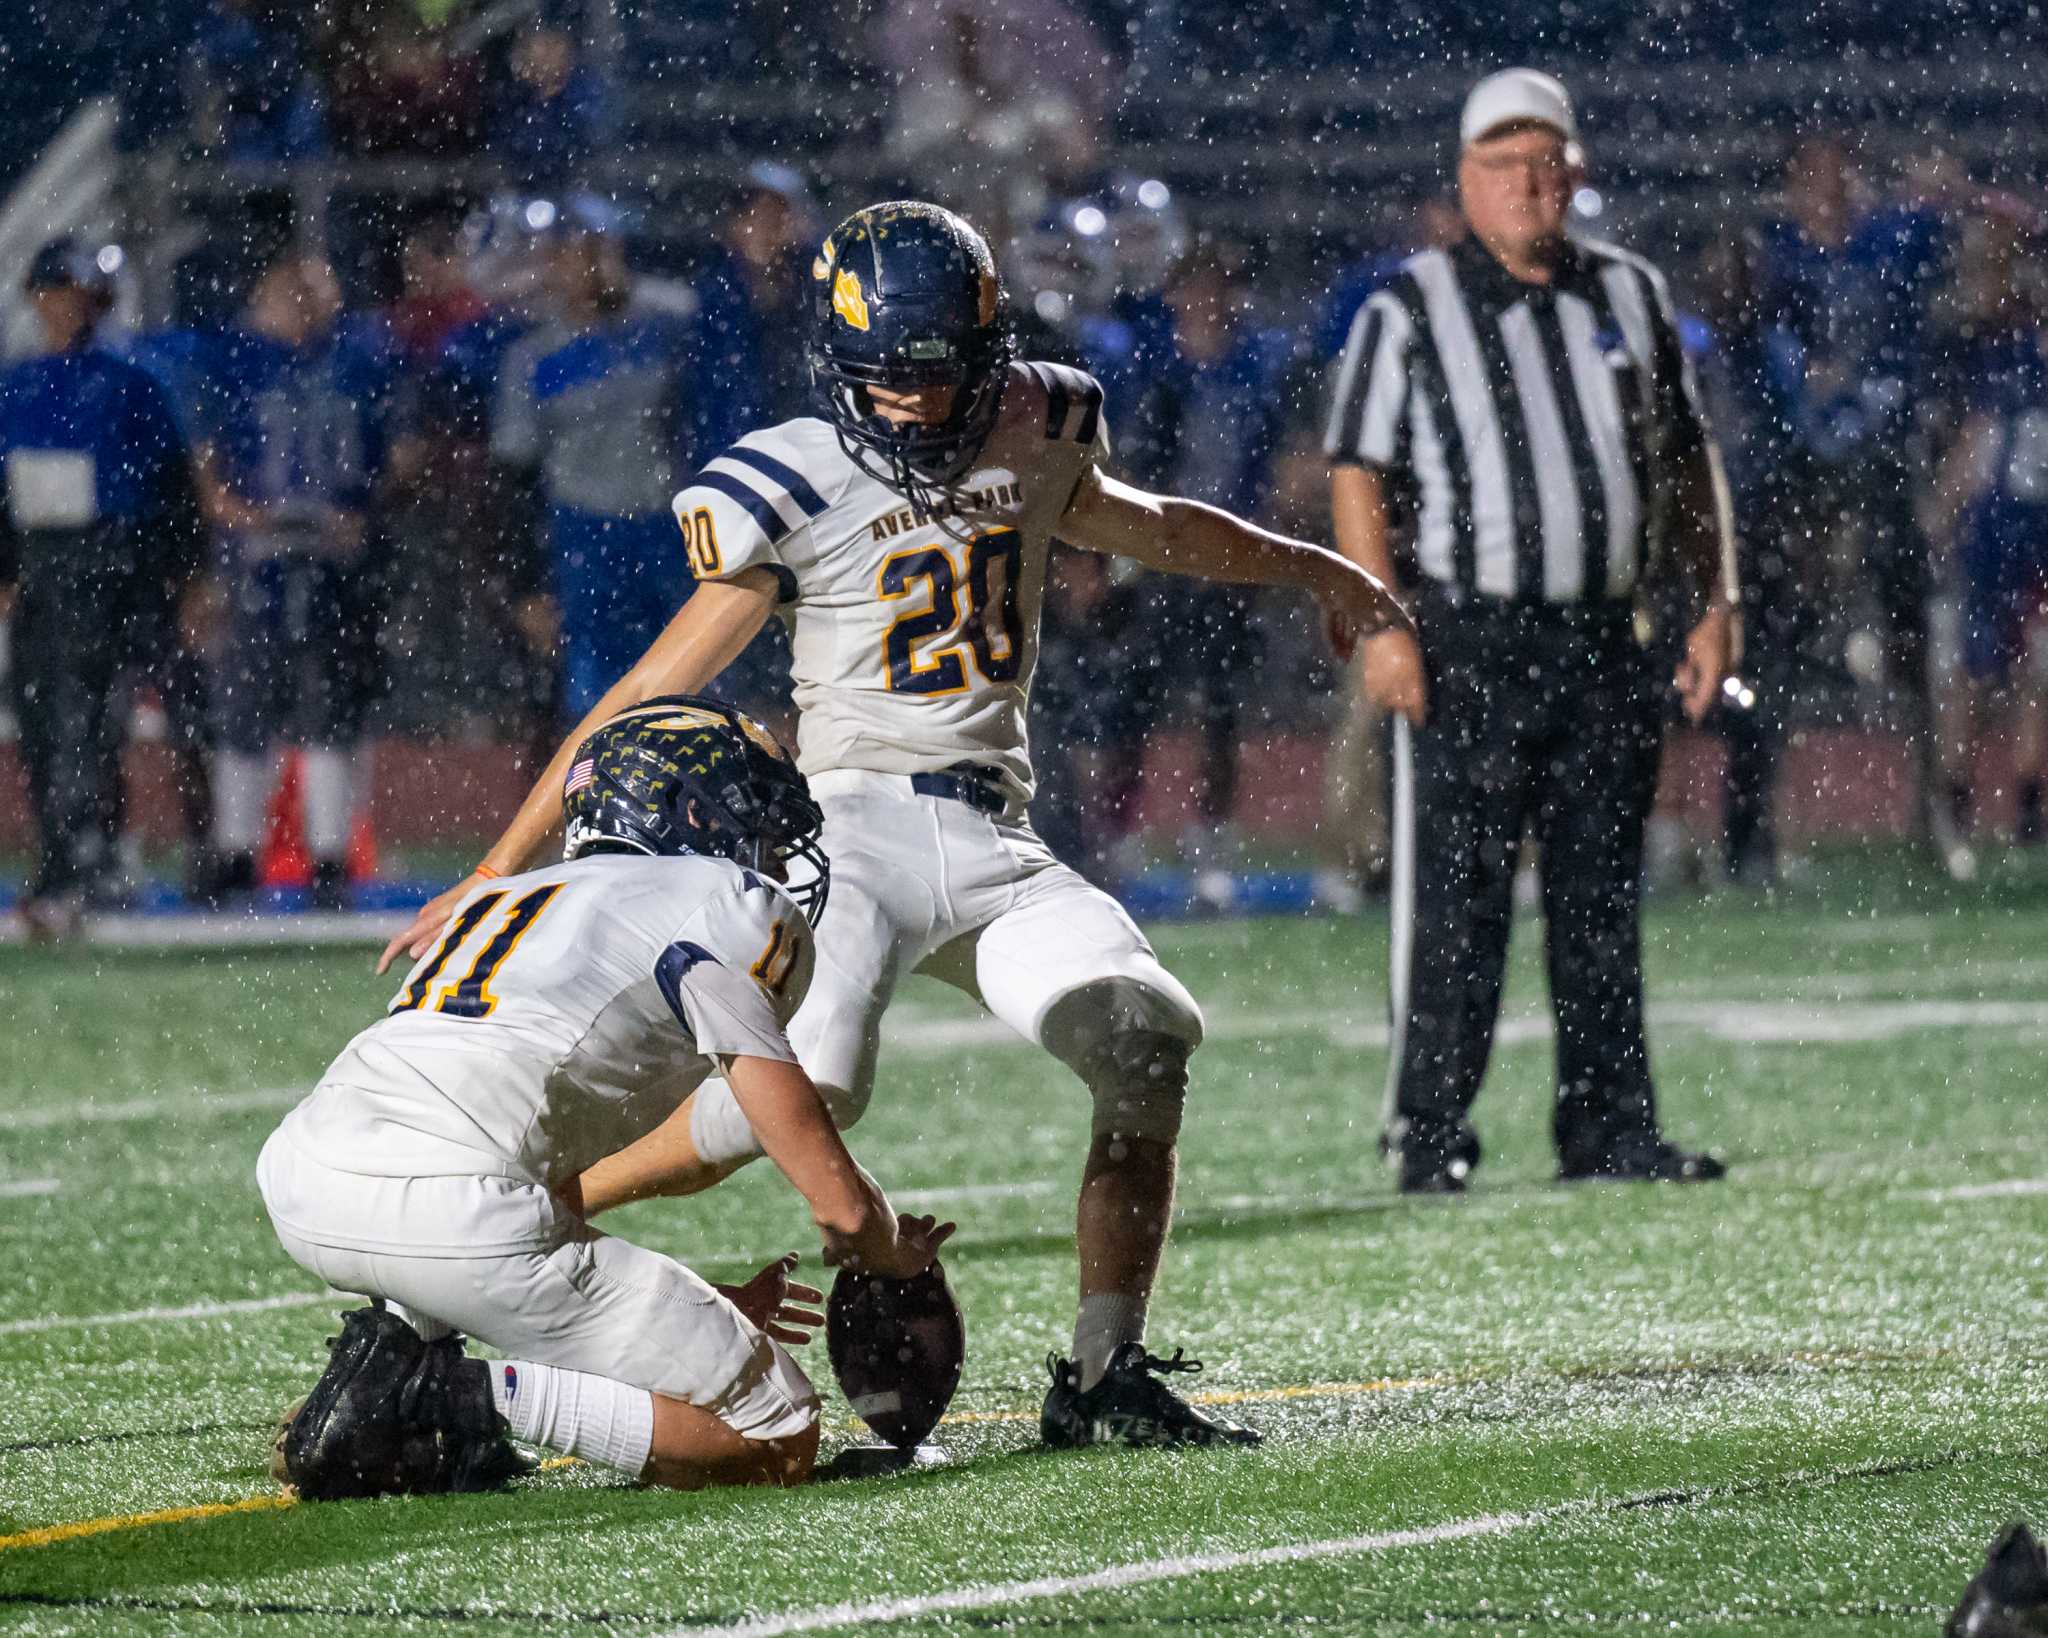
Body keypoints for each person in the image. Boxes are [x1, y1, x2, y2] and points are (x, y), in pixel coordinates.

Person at [385, 200, 1409, 1447]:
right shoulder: (793, 475)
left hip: (998, 835)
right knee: (807, 1091)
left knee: (1143, 1038)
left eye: (933, 375)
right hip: (849, 829)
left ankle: (1102, 1374)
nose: (912, 404)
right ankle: (515, 1220)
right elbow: (648, 692)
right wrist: (498, 867)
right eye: (884, 377)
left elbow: (1153, 527)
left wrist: (1323, 568)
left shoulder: (1041, 423)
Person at [261, 697, 950, 1497]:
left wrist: (680, 1316)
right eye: (752, 813)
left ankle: (392, 1370)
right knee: (775, 1434)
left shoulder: (499, 902)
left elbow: (505, 1142)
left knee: (477, 1213)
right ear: (687, 811)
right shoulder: (722, 901)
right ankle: (444, 1398)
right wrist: (891, 1251)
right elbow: (842, 1209)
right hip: (457, 1214)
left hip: (305, 1178)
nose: (768, 845)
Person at [1325, 70, 1738, 1193]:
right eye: (1502, 164)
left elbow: (1686, 459)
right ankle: (1428, 1137)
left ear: (1574, 172)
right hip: (1469, 637)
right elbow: (1356, 469)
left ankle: (1608, 1129)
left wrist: (1715, 601)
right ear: (1463, 182)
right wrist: (1381, 622)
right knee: (1453, 903)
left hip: (1605, 635)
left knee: (1598, 899)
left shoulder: (1630, 294)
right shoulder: (1405, 307)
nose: (1526, 184)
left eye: (1544, 161)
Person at [0, 240, 205, 937]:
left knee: (90, 724)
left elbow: (174, 489)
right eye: (53, 292)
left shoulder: (132, 381)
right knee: (43, 723)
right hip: (43, 566)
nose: (62, 306)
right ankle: (76, 858)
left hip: (115, 566)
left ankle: (83, 863)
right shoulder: (16, 385)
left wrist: (186, 574)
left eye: (75, 293)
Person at [491, 199, 750, 723]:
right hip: (583, 530)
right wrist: (526, 586)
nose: (588, 264)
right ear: (552, 262)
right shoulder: (533, 357)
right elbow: (515, 480)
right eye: (574, 252)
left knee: (696, 672)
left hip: (672, 523)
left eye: (599, 248)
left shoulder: (672, 319)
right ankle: (604, 797)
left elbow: (719, 409)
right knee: (596, 693)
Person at [192, 247, 394, 909]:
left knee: (329, 709)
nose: (301, 304)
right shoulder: (239, 364)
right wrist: (240, 517)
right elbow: (206, 464)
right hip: (259, 560)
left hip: (336, 563)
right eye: (289, 290)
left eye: (313, 291)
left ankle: (331, 854)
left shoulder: (358, 363)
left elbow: (402, 453)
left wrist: (360, 513)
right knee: (246, 708)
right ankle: (236, 852)